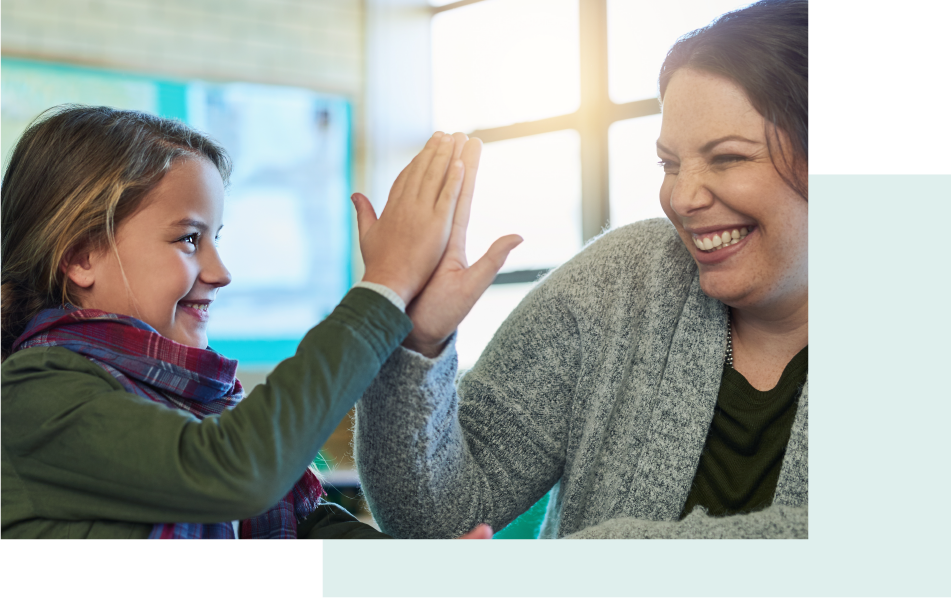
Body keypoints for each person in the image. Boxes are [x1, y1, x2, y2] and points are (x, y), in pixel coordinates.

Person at [354, 0, 809, 539]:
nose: (681, 198)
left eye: (728, 157)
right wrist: (415, 346)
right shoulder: (614, 285)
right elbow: (437, 522)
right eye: (669, 164)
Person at [0, 105, 502, 539]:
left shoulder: (199, 400)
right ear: (82, 255)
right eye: (190, 239)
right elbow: (234, 472)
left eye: (216, 237)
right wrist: (385, 286)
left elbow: (306, 537)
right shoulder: (33, 393)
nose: (221, 273)